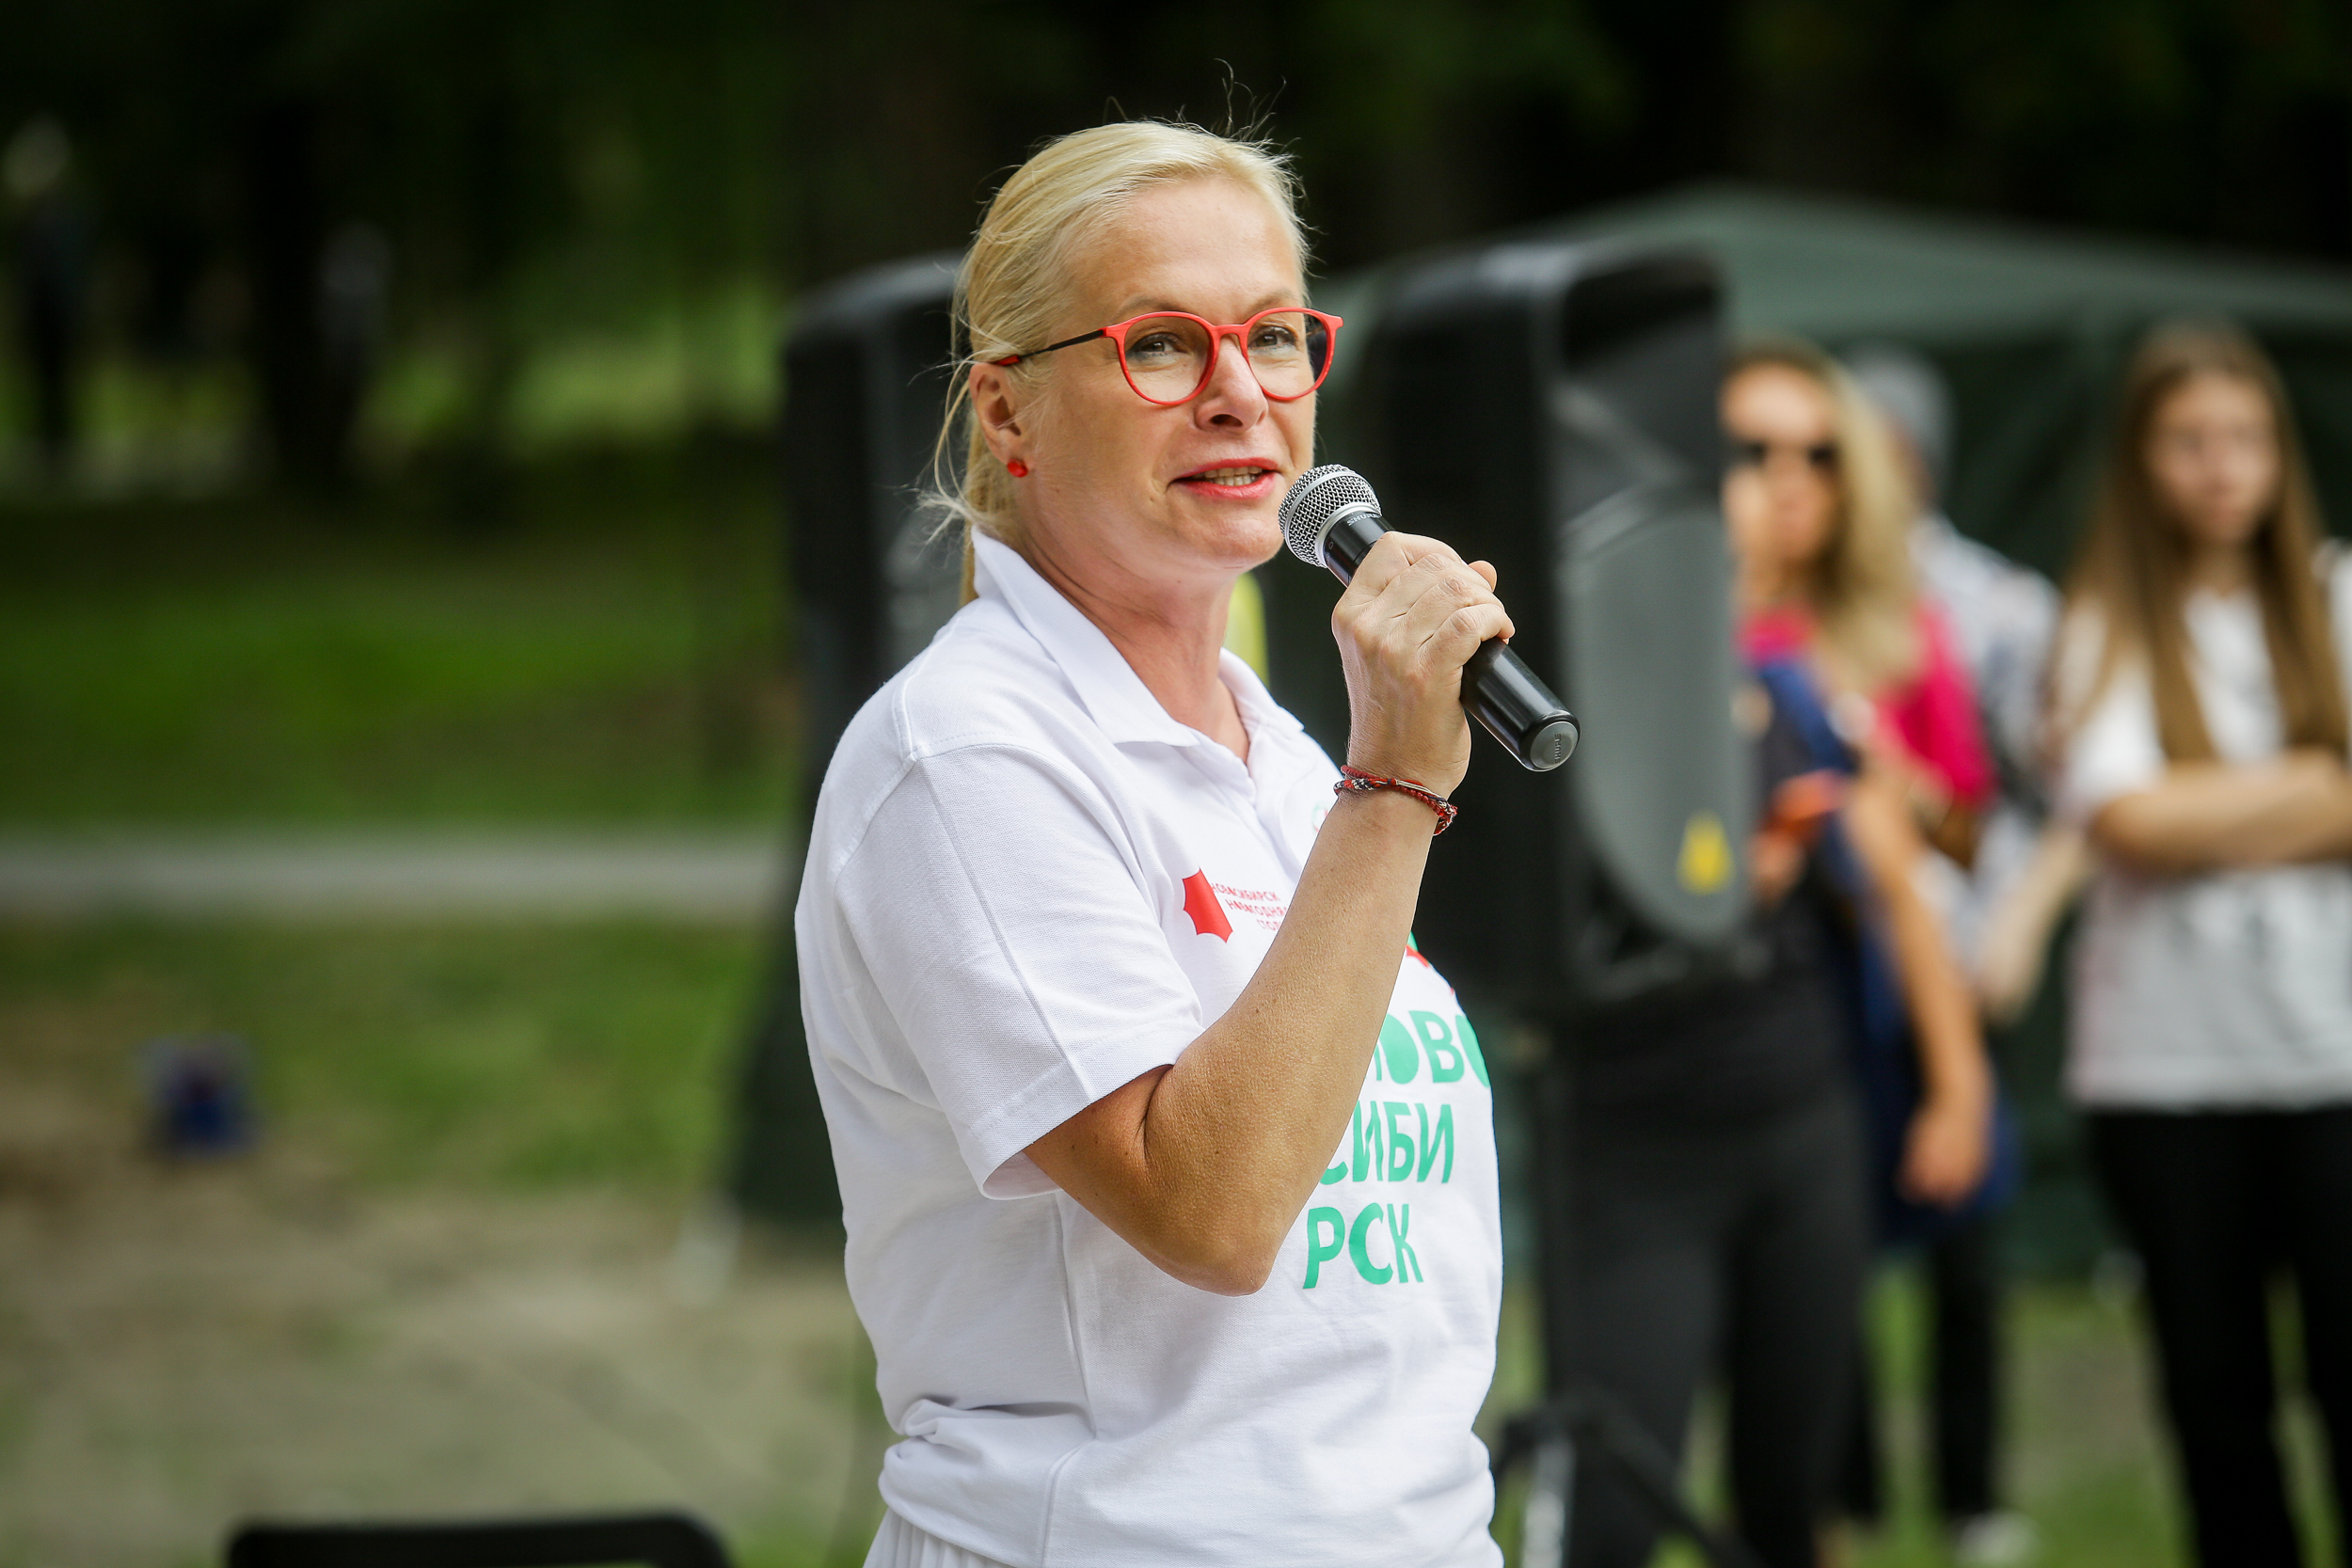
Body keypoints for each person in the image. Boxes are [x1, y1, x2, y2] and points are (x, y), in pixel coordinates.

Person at [796, 121, 1515, 1568]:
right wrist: (1394, 790)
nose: (1240, 392)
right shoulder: (964, 751)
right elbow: (1213, 1215)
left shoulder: (1281, 755)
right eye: (1165, 345)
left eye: (1273, 336)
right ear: (1008, 410)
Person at [1554, 342, 1994, 1568]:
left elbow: (1912, 877)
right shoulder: (1597, 650)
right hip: (1636, 1128)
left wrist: (1959, 1088)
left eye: (1815, 456)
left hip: (1802, 1111)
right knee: (1616, 1503)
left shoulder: (1826, 666)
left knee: (1793, 1498)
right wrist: (1716, 880)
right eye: (1749, 454)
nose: (1783, 483)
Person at [2048, 320, 2352, 1568]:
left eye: (2244, 438)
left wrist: (2198, 808)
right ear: (2141, 458)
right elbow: (2126, 820)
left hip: (2330, 1060)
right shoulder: (2104, 623)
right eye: (2188, 441)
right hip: (2166, 1073)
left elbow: (2159, 813)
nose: (2221, 468)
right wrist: (2318, 783)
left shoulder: (2335, 596)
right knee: (2217, 1398)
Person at [1842, 343, 2080, 1565]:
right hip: (1838, 970)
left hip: (1952, 951)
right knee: (1829, 1246)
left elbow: (2035, 798)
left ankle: (1973, 1496)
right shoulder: (1790, 601)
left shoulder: (1993, 608)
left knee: (1965, 1244)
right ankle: (1844, 1497)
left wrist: (2009, 923)